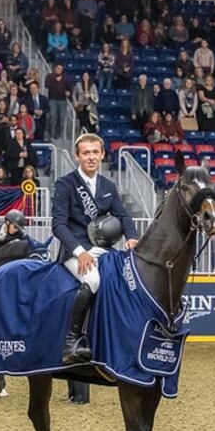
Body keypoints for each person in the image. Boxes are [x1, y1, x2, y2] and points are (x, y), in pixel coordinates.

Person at [52, 134, 139, 364]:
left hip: (102, 248)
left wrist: (132, 237)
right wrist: (79, 252)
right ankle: (71, 342)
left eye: (95, 152)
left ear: (102, 155)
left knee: (127, 277)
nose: (91, 157)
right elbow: (58, 225)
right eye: (86, 153)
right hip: (75, 250)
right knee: (92, 280)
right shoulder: (65, 184)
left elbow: (123, 215)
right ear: (77, 156)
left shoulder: (108, 186)